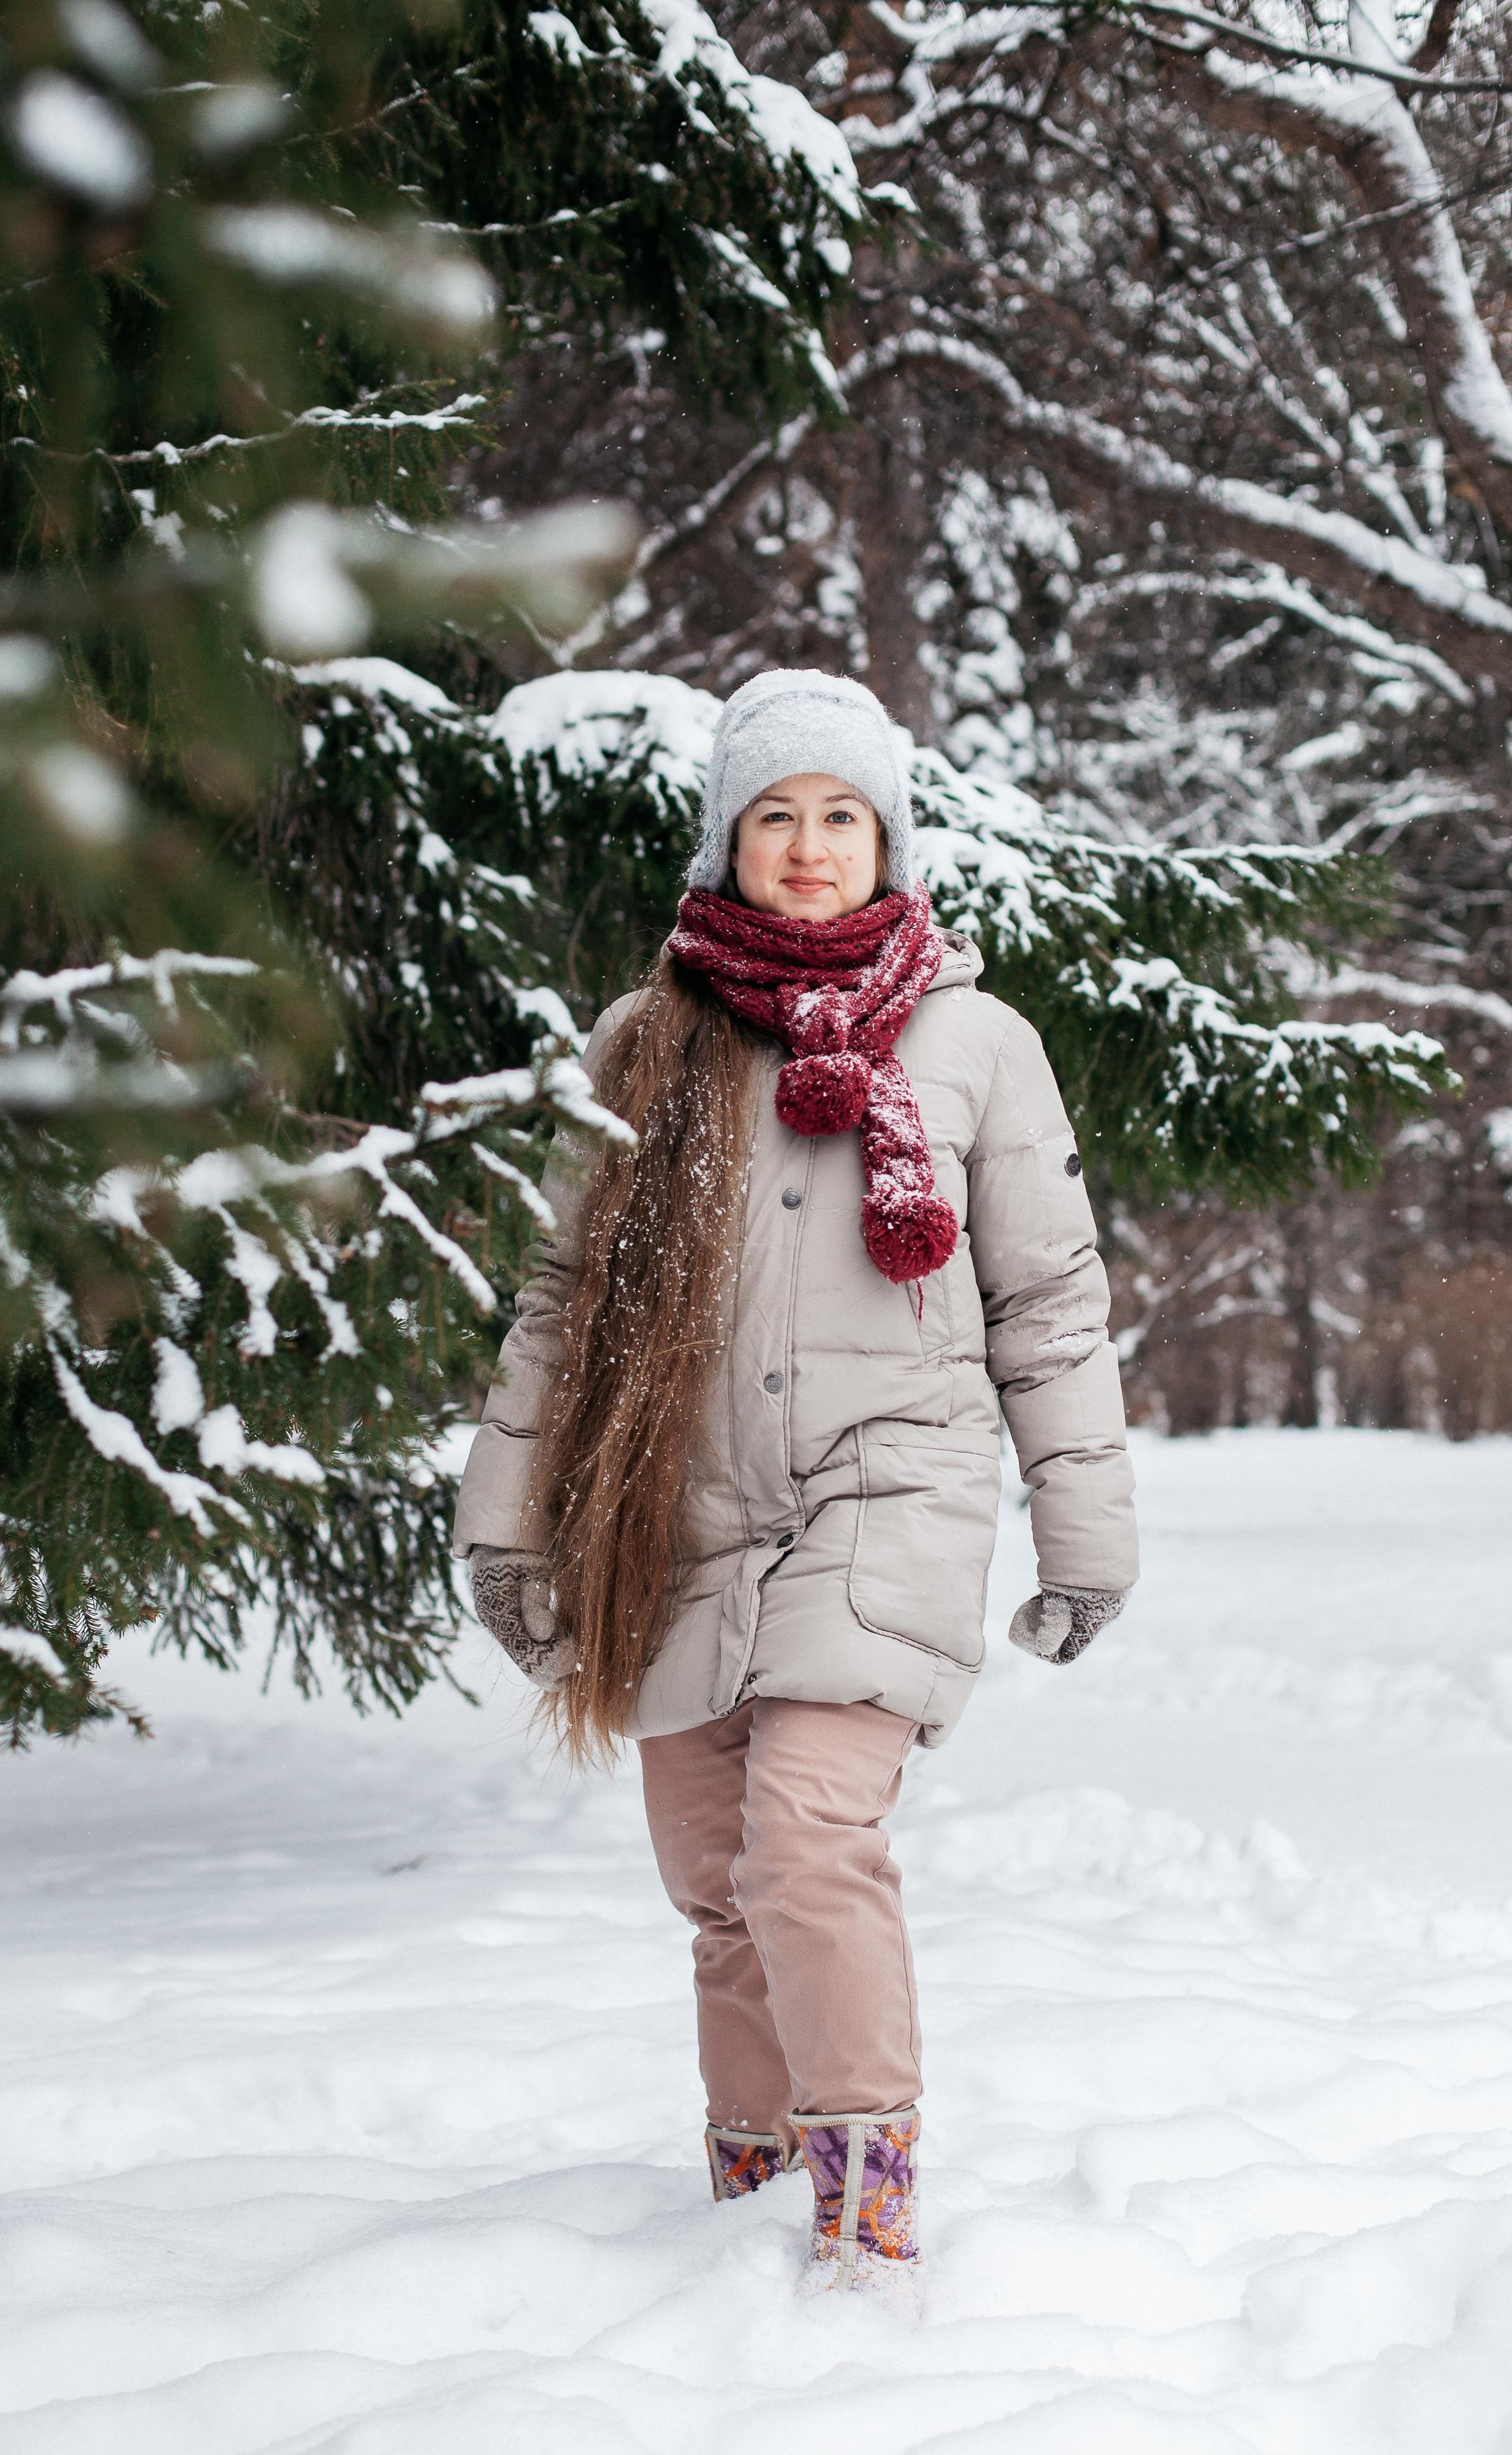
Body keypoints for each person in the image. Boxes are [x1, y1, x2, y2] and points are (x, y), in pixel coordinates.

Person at [453, 668, 1138, 2289]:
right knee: (716, 1883)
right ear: (727, 840)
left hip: (887, 1486)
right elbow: (565, 1298)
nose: (813, 845)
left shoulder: (973, 1042)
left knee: (804, 1841)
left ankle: (864, 2199)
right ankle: (748, 2190)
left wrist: (1082, 1529)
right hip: (677, 1506)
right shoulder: (646, 1042)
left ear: (889, 835)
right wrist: (505, 1523)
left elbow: (1049, 1304)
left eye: (844, 815)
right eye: (778, 815)